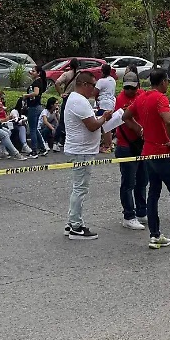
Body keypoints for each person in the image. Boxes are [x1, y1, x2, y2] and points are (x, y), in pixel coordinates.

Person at [122, 69, 170, 251]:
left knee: (153, 193)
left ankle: (155, 235)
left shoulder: (141, 98)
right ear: (164, 81)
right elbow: (168, 121)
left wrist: (140, 129)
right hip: (162, 151)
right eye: (168, 81)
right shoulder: (160, 98)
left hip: (148, 151)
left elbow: (126, 116)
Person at [63, 72, 115, 240]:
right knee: (80, 189)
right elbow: (92, 125)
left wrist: (100, 118)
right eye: (93, 85)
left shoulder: (76, 99)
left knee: (78, 188)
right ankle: (76, 226)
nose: (94, 89)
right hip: (82, 151)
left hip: (81, 149)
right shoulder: (79, 101)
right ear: (84, 84)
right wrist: (104, 118)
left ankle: (72, 222)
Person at [114, 71, 148, 230]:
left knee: (142, 180)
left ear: (138, 86)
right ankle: (128, 216)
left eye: (132, 87)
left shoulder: (142, 94)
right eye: (126, 87)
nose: (129, 90)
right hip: (126, 145)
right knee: (128, 183)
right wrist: (143, 131)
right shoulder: (120, 99)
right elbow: (127, 121)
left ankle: (141, 211)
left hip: (141, 144)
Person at [24, 65, 48, 156]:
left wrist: (26, 96)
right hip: (37, 107)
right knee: (35, 129)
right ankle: (42, 148)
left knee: (32, 130)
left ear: (38, 73)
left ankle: (34, 150)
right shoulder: (39, 81)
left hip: (34, 107)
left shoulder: (37, 82)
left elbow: (36, 93)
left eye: (34, 71)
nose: (31, 72)